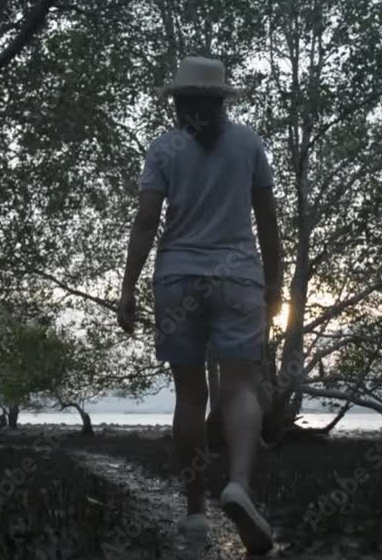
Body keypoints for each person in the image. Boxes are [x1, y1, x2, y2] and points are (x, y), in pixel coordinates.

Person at [116, 56, 282, 555]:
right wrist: (275, 287)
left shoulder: (163, 148)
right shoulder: (249, 144)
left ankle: (194, 516)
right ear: (221, 101)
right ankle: (239, 484)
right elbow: (268, 222)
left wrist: (127, 288)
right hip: (238, 277)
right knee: (240, 388)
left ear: (179, 103)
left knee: (190, 396)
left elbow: (146, 222)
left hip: (177, 278)